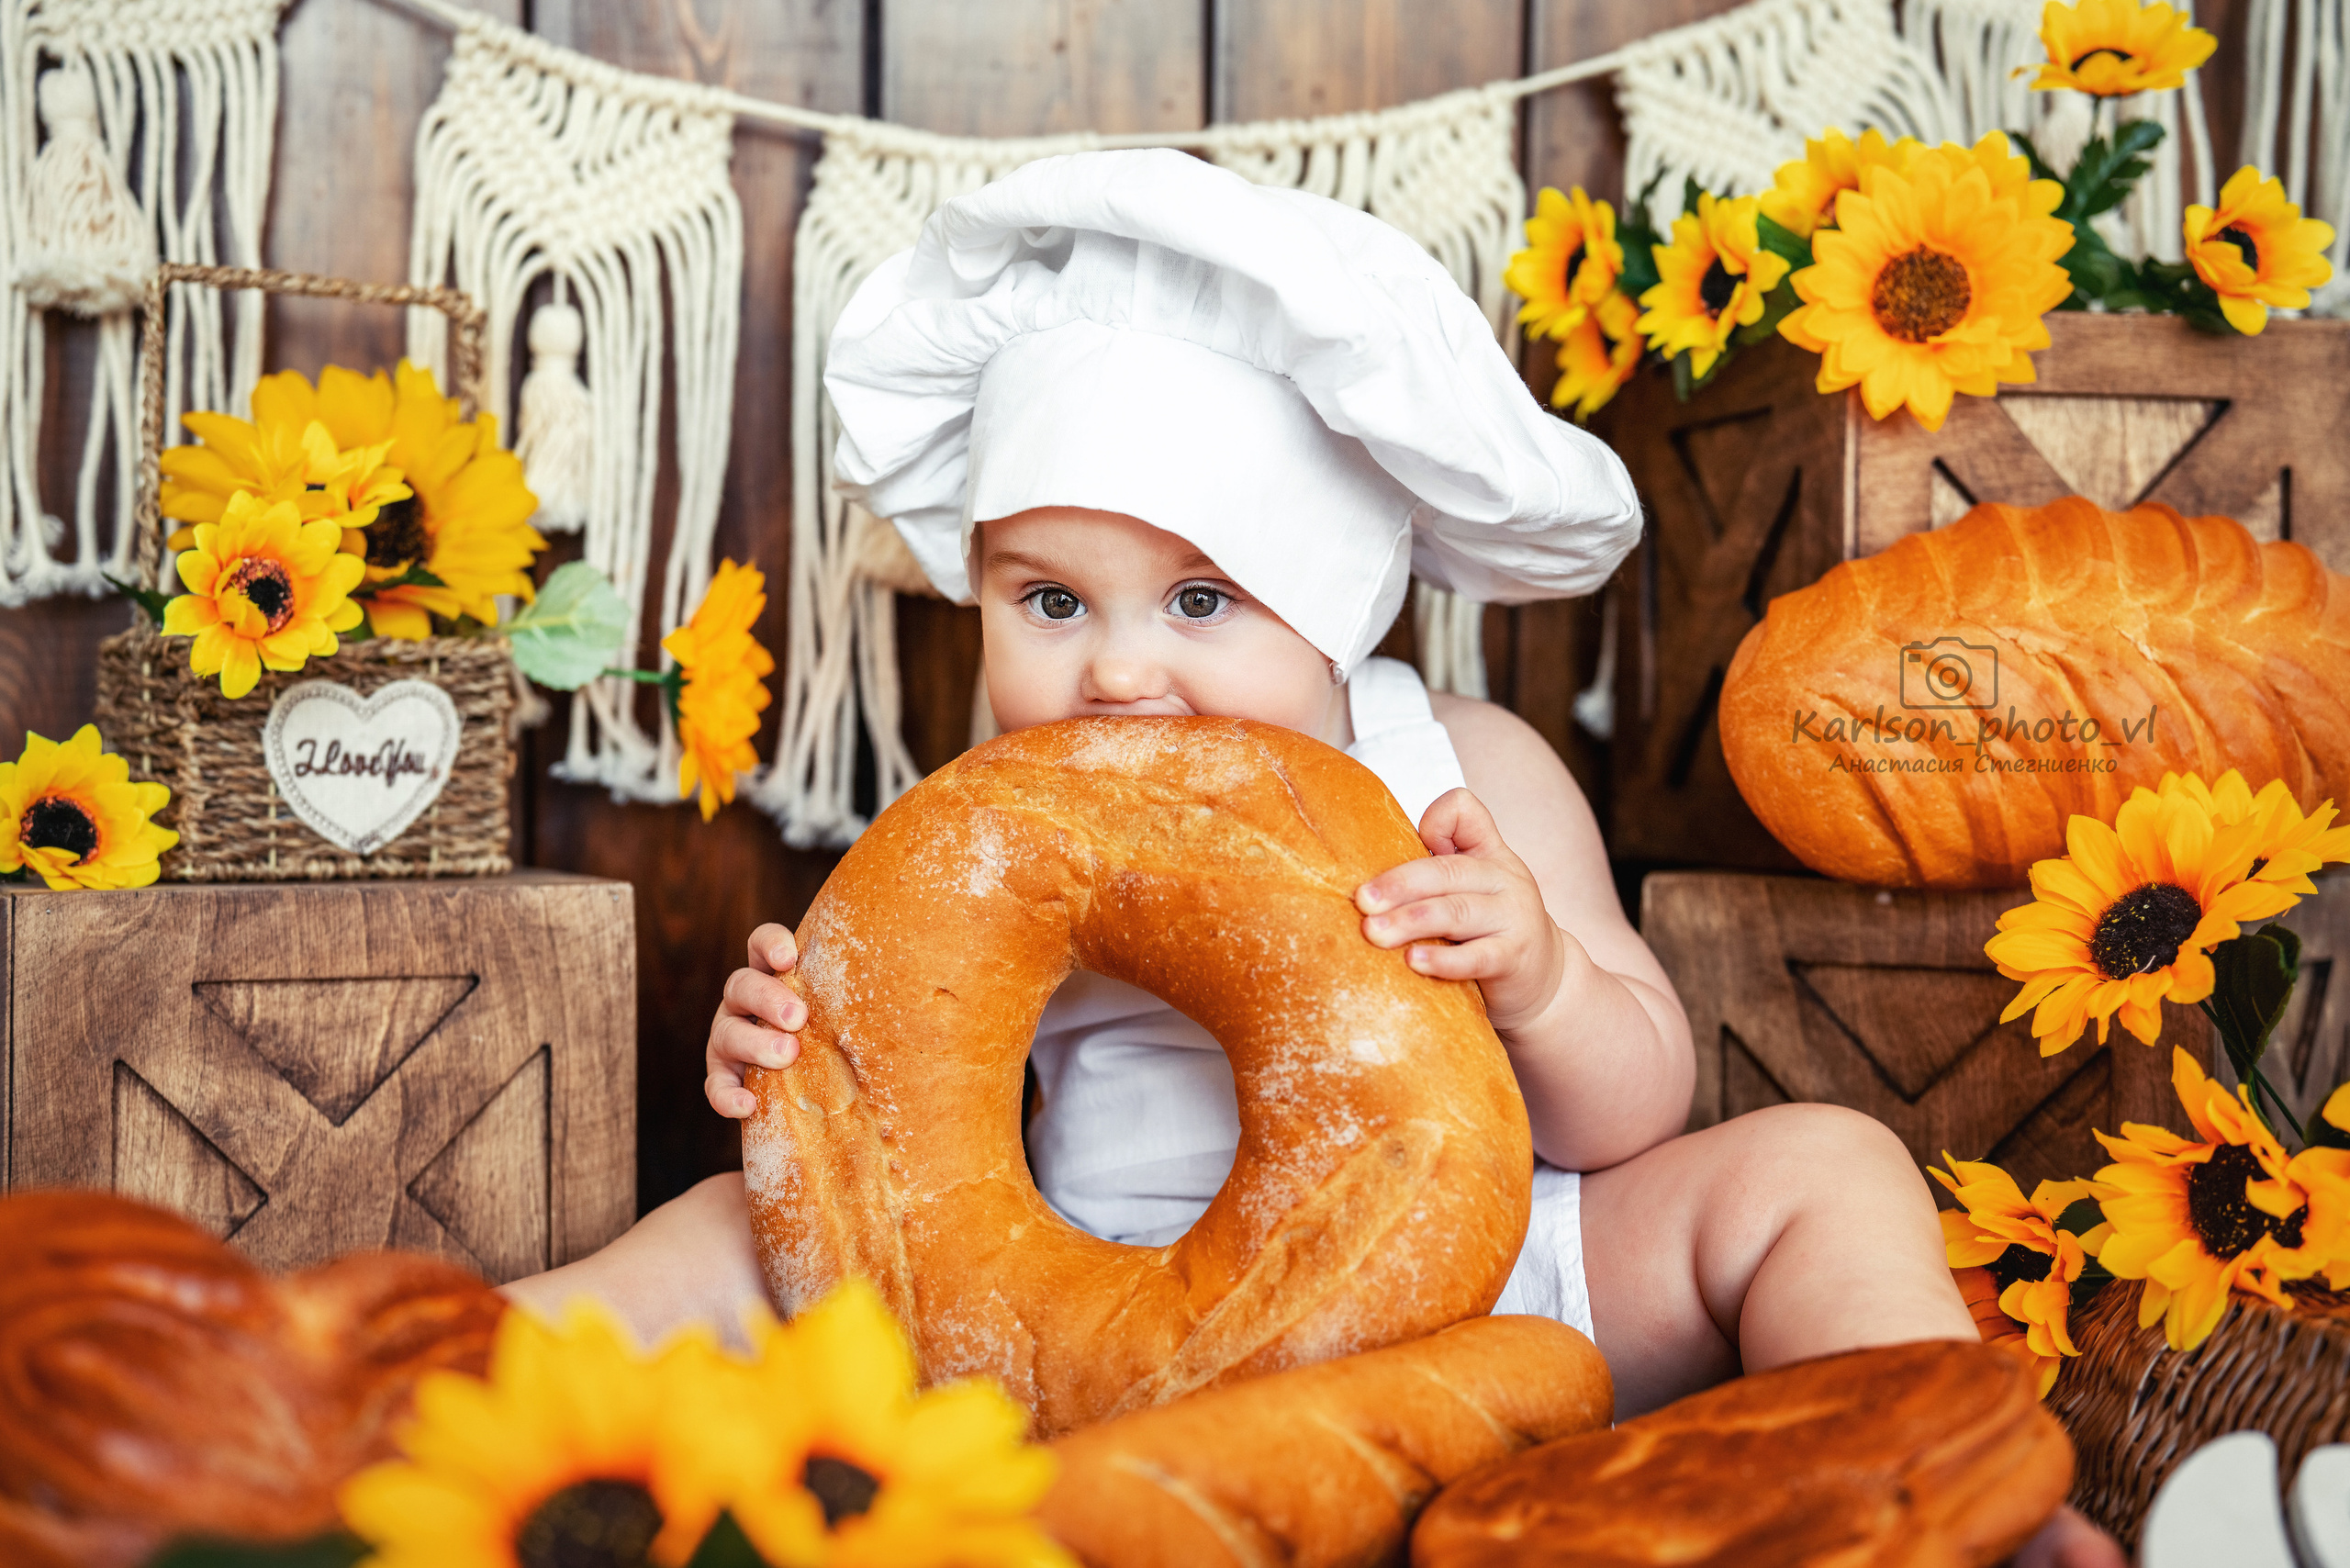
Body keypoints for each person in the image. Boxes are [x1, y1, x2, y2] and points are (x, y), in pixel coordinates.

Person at [509, 150, 2118, 1568]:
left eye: (1202, 600)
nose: (1117, 669)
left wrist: (1541, 981)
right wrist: (786, 1055)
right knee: (727, 1230)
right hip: (1082, 1339)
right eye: (1049, 602)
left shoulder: (1462, 771)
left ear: (1341, 595)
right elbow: (894, 1144)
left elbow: (1638, 1107)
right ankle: (461, 1396)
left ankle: (1933, 1483)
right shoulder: (979, 831)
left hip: (1502, 1291)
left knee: (1822, 1165)